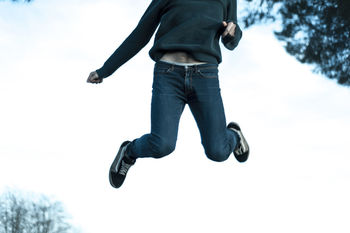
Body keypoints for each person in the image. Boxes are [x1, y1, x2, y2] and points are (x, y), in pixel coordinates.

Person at [87, 0, 250, 188]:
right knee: (161, 145)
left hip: (205, 75)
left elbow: (232, 40)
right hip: (168, 75)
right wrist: (106, 69)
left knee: (218, 152)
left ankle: (234, 135)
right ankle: (129, 152)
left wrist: (232, 33)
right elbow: (140, 34)